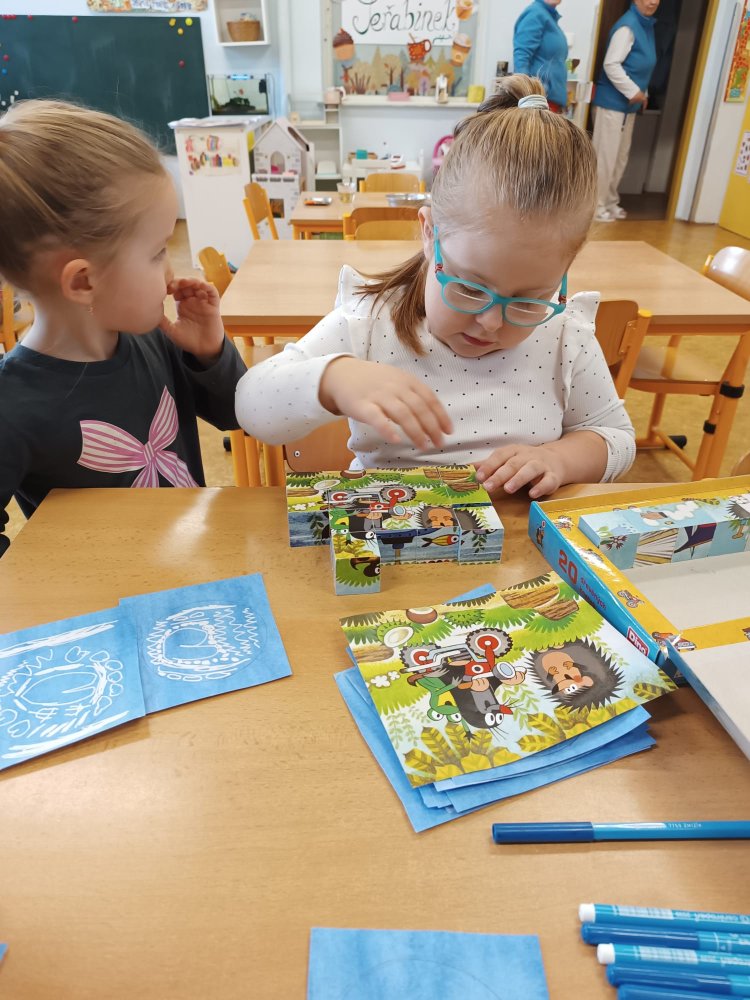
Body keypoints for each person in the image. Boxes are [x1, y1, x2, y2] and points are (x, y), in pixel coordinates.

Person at [236, 75, 635, 499]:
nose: (491, 321)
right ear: (429, 233)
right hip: (390, 531)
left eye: (528, 301)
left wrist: (560, 459)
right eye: (470, 288)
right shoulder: (368, 324)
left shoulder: (565, 335)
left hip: (514, 537)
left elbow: (616, 437)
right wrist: (331, 380)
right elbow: (250, 403)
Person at [0, 100, 247, 557]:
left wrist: (210, 353)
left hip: (196, 573)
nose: (171, 274)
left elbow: (237, 415)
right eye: (157, 253)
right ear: (83, 282)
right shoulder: (11, 405)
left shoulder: (154, 337)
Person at [591, 0, 660, 222]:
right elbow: (611, 64)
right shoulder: (627, 26)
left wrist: (643, 93)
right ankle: (595, 206)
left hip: (629, 106)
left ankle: (610, 201)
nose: (653, 2)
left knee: (619, 158)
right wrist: (633, 91)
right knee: (605, 158)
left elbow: (641, 67)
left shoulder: (646, 26)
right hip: (611, 105)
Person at [513, 0, 569, 113]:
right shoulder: (535, 14)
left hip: (549, 101)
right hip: (539, 102)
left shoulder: (548, 16)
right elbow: (521, 56)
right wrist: (527, 96)